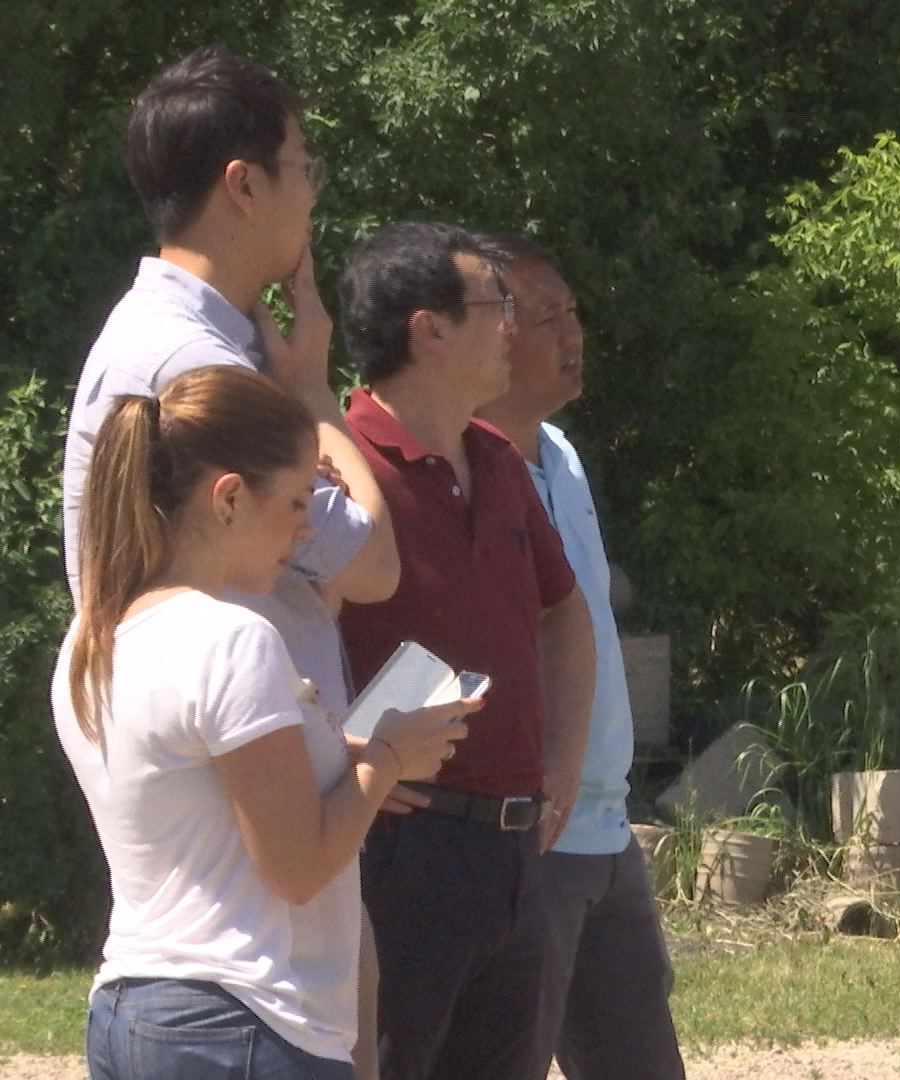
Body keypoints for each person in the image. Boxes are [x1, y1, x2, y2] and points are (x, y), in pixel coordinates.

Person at [60, 44, 402, 1079]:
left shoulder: (164, 337)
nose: (314, 196)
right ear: (242, 186)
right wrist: (315, 396)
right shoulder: (201, 365)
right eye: (305, 168)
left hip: (196, 916)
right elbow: (378, 564)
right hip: (244, 945)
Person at [53, 365, 469, 1080]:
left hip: (132, 1009)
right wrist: (387, 762)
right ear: (230, 497)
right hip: (245, 1019)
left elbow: (197, 807)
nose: (307, 532)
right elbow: (297, 868)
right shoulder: (232, 638)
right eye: (299, 502)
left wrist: (345, 759)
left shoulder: (91, 638)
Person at [335, 221, 596, 1080]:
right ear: (429, 329)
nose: (514, 327)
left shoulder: (500, 459)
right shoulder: (337, 471)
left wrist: (561, 762)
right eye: (497, 305)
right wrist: (338, 754)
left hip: (517, 852)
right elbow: (268, 640)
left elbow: (564, 614)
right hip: (399, 856)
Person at [472, 231, 685, 1079]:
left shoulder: (559, 455)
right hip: (522, 837)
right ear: (488, 330)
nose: (573, 333)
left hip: (605, 830)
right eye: (546, 314)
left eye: (573, 312)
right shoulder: (454, 469)